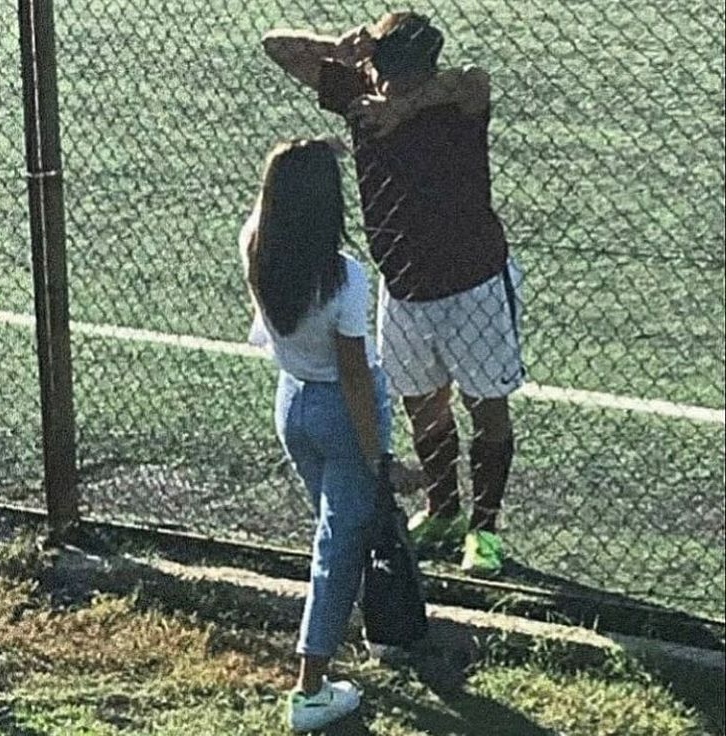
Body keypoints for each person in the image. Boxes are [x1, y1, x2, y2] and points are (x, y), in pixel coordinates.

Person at [262, 12, 524, 576]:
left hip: (473, 283)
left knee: (487, 408)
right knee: (422, 403)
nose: (384, 84)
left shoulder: (455, 105)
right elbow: (277, 47)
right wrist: (335, 45)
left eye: (394, 75)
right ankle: (443, 509)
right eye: (380, 70)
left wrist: (403, 108)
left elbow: (474, 79)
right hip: (403, 286)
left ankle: (485, 530)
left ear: (419, 71)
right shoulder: (360, 91)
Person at [240, 139, 413, 732]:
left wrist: (306, 155)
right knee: (337, 550)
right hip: (340, 416)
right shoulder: (345, 279)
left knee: (337, 534)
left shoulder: (256, 245)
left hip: (291, 405)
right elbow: (357, 380)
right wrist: (382, 458)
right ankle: (310, 688)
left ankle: (361, 631)